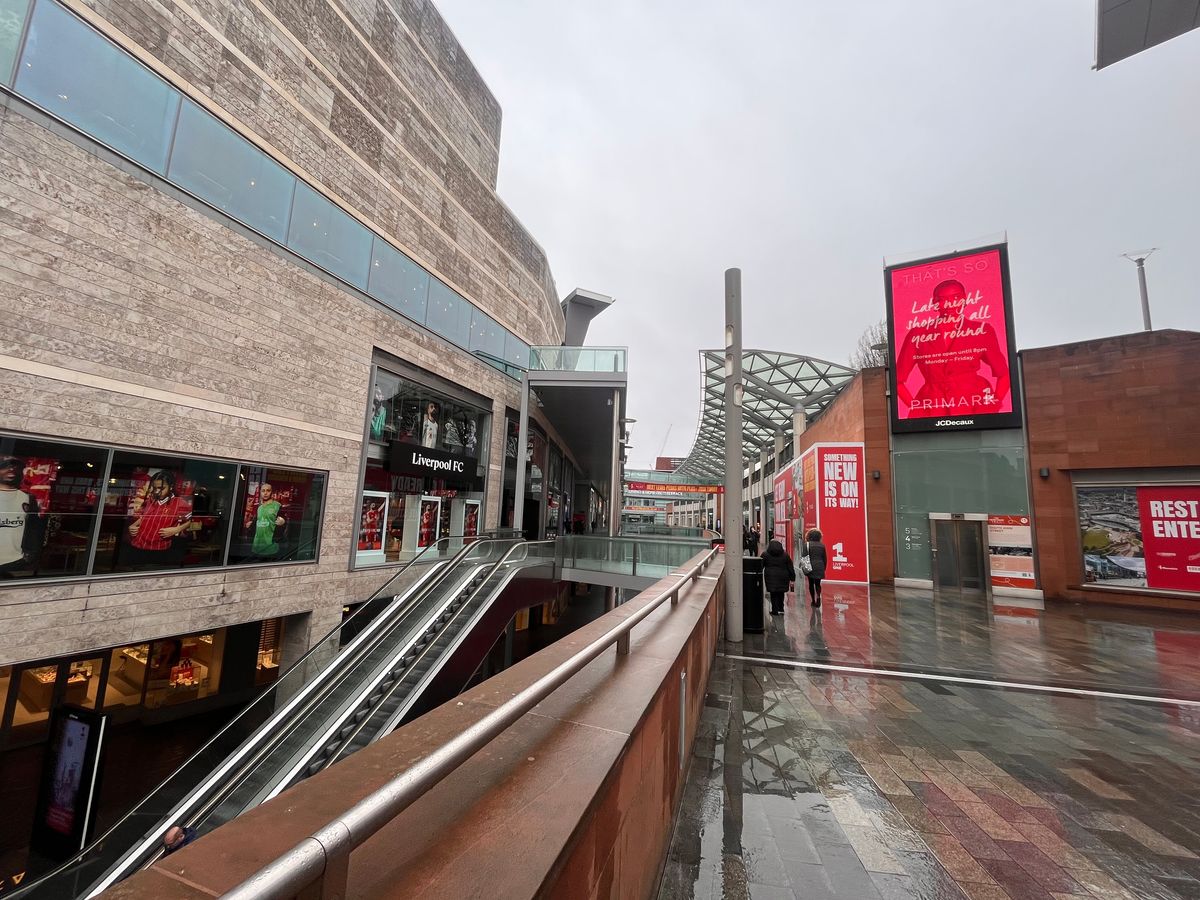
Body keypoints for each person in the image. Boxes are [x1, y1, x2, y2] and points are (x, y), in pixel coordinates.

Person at [895, 279, 1011, 418]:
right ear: (935, 303)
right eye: (943, 299)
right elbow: (897, 380)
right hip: (933, 406)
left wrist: (994, 404)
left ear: (965, 299)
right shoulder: (917, 335)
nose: (950, 304)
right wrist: (917, 407)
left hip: (974, 403)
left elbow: (1004, 373)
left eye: (955, 297)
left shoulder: (981, 330)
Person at [0, 455, 43, 577]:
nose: (11, 470)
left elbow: (33, 528)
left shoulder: (28, 498)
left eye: (15, 467)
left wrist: (30, 555)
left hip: (15, 562)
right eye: (5, 467)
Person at [760, 539, 795, 616]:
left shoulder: (765, 554)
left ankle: (774, 610)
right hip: (783, 577)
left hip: (770, 577)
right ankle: (781, 609)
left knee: (773, 594)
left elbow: (760, 566)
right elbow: (790, 567)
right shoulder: (785, 555)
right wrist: (792, 578)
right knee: (781, 592)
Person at [251, 483, 286, 557]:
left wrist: (283, 522)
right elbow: (256, 523)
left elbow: (284, 523)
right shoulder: (259, 507)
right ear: (260, 492)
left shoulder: (277, 506)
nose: (265, 493)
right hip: (257, 546)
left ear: (271, 492)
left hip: (271, 548)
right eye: (263, 491)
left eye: (268, 490)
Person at [803, 528, 828, 608]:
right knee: (818, 583)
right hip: (820, 566)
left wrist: (804, 568)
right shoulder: (822, 545)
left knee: (811, 584)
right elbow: (825, 558)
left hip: (810, 566)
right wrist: (824, 567)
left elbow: (804, 557)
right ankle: (818, 596)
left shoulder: (807, 545)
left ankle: (813, 600)